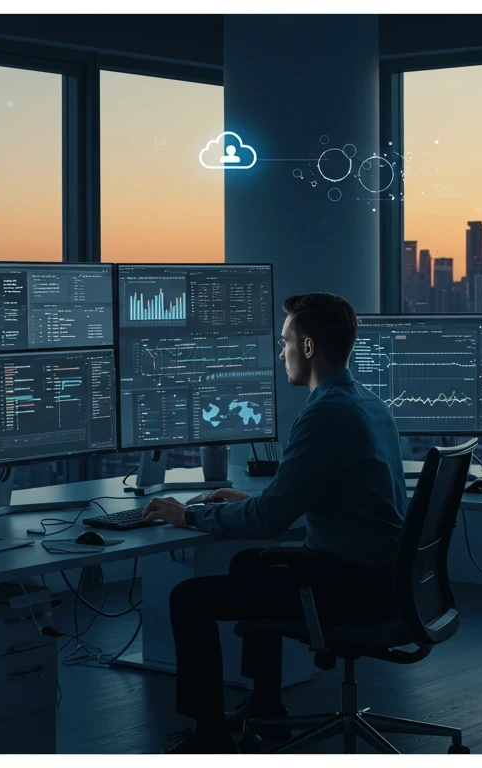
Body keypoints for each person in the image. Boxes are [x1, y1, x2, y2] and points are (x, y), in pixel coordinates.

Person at [143, 292, 407, 753]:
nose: (279, 352)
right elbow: (319, 496)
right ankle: (266, 707)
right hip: (384, 575)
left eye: (284, 342)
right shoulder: (367, 403)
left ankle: (208, 738)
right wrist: (252, 500)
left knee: (188, 598)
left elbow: (268, 520)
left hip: (353, 586)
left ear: (307, 348)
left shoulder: (325, 414)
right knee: (250, 563)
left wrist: (191, 515)